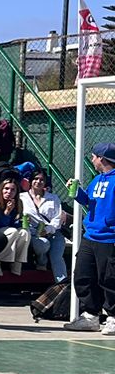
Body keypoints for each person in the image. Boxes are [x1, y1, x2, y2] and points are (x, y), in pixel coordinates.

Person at [65, 142, 115, 334]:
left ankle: (112, 317)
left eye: (94, 156)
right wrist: (78, 194)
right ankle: (91, 316)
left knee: (109, 278)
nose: (92, 160)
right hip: (90, 236)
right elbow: (90, 203)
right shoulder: (97, 180)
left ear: (101, 158)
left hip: (109, 238)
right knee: (83, 275)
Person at [22, 169, 68, 282]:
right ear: (31, 181)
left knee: (57, 257)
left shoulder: (53, 198)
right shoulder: (22, 197)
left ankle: (63, 286)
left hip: (53, 232)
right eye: (36, 179)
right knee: (43, 244)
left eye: (42, 179)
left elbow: (57, 219)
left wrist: (47, 230)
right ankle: (41, 261)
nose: (38, 181)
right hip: (33, 232)